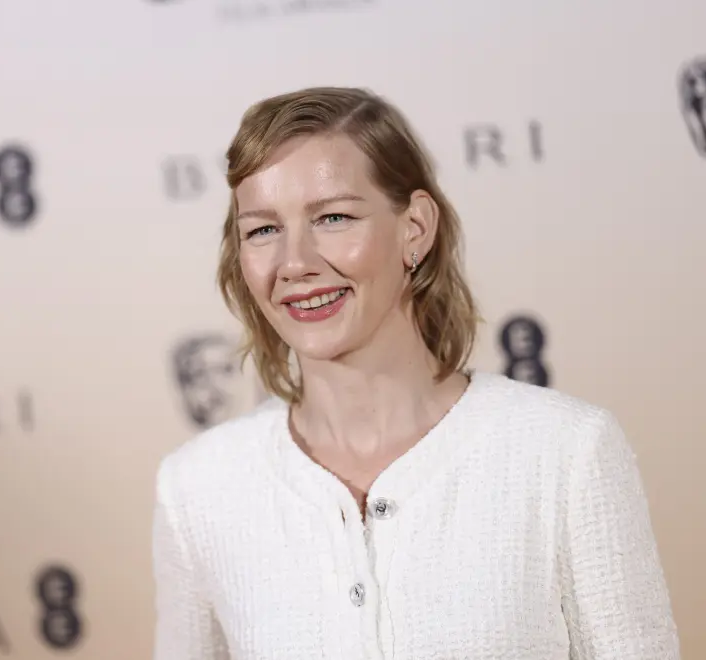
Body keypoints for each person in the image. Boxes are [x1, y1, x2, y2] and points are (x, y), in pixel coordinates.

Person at [151, 86, 681, 659]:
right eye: (262, 229)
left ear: (416, 228)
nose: (295, 263)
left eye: (332, 217)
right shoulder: (198, 490)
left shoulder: (564, 454)